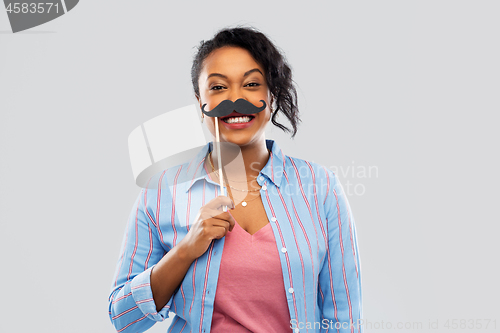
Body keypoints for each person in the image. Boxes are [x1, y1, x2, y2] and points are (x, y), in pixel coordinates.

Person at [108, 26, 363, 333]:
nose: (235, 100)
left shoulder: (321, 188)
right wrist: (186, 249)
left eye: (251, 83)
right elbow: (122, 317)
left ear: (271, 94)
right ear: (198, 101)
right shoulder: (161, 193)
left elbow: (344, 320)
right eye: (218, 87)